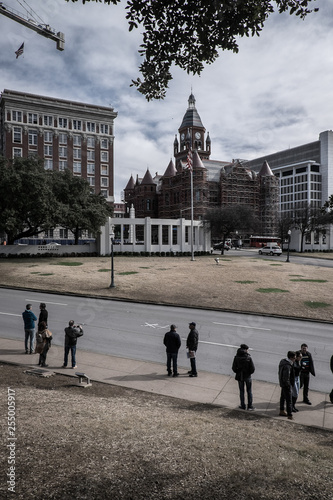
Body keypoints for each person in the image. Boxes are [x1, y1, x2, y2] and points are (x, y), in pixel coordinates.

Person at [232, 344, 255, 410]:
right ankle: (250, 406)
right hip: (247, 376)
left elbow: (233, 368)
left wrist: (238, 372)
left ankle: (243, 405)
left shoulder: (236, 357)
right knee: (249, 391)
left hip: (240, 377)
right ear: (246, 350)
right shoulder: (248, 358)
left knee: (241, 391)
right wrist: (248, 373)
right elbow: (252, 369)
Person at [278, 351, 296, 420]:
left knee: (283, 397)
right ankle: (290, 415)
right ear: (291, 358)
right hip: (286, 385)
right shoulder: (288, 366)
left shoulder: (283, 362)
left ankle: (282, 410)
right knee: (289, 400)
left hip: (283, 383)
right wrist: (288, 385)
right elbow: (286, 377)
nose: (295, 360)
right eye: (294, 358)